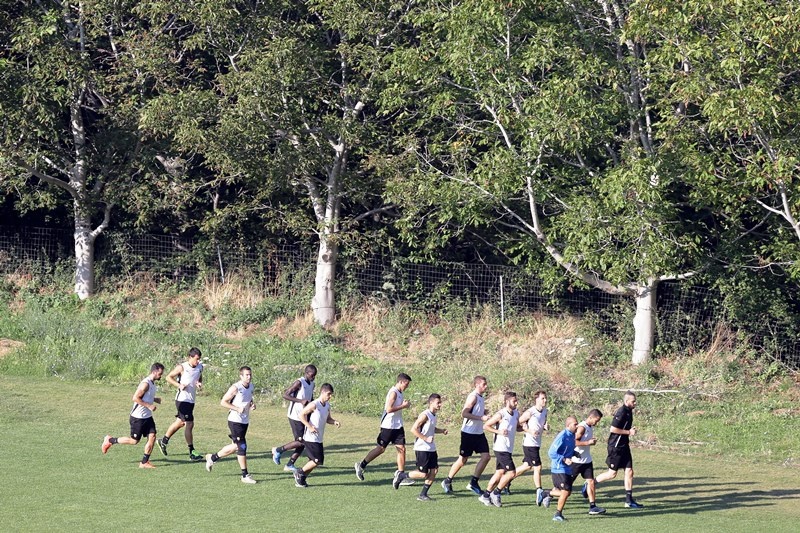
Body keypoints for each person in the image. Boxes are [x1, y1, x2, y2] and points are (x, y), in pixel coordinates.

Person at [354, 373, 414, 488]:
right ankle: (361, 465)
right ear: (401, 382)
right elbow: (389, 409)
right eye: (406, 384)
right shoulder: (393, 393)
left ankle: (401, 476)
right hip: (388, 426)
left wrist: (403, 405)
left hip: (398, 426)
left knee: (402, 449)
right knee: (380, 449)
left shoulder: (400, 393)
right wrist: (403, 406)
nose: (407, 386)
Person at [101, 363, 165, 469]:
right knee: (134, 441)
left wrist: (155, 399)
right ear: (154, 372)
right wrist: (149, 405)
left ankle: (144, 462)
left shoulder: (153, 383)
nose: (161, 376)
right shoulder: (145, 384)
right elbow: (135, 398)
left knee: (152, 436)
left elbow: (146, 396)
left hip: (147, 417)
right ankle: (110, 440)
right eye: (160, 374)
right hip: (138, 418)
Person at [204, 366, 257, 484]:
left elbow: (249, 398)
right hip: (235, 420)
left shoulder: (251, 386)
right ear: (241, 376)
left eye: (250, 375)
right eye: (246, 375)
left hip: (244, 421)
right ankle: (245, 475)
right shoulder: (236, 387)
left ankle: (212, 458)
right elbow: (223, 402)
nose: (249, 377)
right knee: (242, 446)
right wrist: (237, 408)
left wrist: (252, 405)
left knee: (235, 447)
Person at [441, 375, 491, 496]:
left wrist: (483, 413)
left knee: (486, 457)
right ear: (477, 384)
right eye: (484, 384)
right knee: (463, 460)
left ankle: (474, 482)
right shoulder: (473, 397)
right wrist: (481, 417)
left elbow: (474, 412)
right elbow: (464, 413)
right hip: (468, 433)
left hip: (479, 433)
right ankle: (447, 480)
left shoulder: (481, 398)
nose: (486, 386)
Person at [593, 390, 643, 508]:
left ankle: (629, 500)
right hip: (615, 447)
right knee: (612, 474)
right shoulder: (621, 412)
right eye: (633, 401)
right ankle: (590, 483)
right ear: (626, 401)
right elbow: (613, 429)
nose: (635, 403)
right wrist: (629, 432)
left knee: (629, 471)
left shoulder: (629, 411)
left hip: (625, 446)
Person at [158, 347, 204, 461]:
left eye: (199, 359)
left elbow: (199, 376)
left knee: (180, 422)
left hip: (191, 400)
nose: (197, 361)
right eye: (196, 359)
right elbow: (168, 377)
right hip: (182, 400)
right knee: (189, 424)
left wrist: (198, 383)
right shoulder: (182, 367)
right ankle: (192, 452)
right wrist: (179, 385)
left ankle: (163, 441)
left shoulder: (200, 367)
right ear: (190, 357)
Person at [478, 391, 521, 508]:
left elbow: (517, 428)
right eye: (514, 401)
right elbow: (486, 426)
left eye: (516, 400)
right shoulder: (501, 414)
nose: (516, 403)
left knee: (500, 472)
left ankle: (486, 495)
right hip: (500, 447)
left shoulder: (516, 413)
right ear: (507, 402)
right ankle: (496, 492)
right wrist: (499, 432)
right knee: (512, 472)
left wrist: (528, 429)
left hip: (508, 448)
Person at [292, 383, 340, 488]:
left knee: (315, 461)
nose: (330, 396)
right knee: (317, 460)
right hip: (310, 437)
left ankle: (301, 479)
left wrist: (334, 422)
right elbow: (301, 415)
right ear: (322, 392)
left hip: (319, 438)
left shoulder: (327, 406)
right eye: (328, 394)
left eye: (331, 394)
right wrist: (309, 426)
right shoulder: (314, 404)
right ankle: (299, 472)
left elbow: (328, 419)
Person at [272, 364, 317, 472]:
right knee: (301, 441)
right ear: (306, 373)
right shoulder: (299, 382)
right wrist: (300, 401)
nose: (313, 377)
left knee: (303, 442)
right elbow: (285, 395)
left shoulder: (312, 384)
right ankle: (278, 450)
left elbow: (310, 398)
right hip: (295, 416)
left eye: (315, 376)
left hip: (304, 416)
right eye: (311, 375)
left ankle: (290, 464)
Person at [407, 393, 448, 501]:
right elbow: (413, 429)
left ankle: (423, 494)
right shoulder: (425, 415)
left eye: (440, 402)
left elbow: (431, 429)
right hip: (422, 448)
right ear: (431, 403)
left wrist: (442, 431)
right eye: (438, 402)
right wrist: (425, 438)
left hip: (431, 448)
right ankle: (402, 476)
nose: (440, 405)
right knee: (423, 474)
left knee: (434, 471)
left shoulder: (434, 415)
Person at [542, 415, 579, 522]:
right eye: (575, 424)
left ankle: (547, 493)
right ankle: (557, 514)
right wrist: (563, 459)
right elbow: (551, 453)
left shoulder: (572, 435)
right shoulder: (562, 436)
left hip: (566, 468)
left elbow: (567, 449)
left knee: (567, 492)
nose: (577, 426)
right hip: (559, 468)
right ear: (568, 425)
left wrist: (574, 453)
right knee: (566, 492)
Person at [514, 390, 549, 502]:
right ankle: (539, 490)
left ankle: (507, 479)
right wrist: (528, 431)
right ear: (536, 399)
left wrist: (545, 426)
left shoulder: (544, 411)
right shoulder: (530, 412)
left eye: (545, 398)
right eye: (542, 398)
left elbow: (541, 423)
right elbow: (517, 424)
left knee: (527, 466)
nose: (545, 400)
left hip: (537, 443)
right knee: (537, 467)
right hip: (529, 443)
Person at [574, 409, 606, 515]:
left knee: (591, 482)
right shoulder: (581, 427)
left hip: (587, 460)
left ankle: (593, 506)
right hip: (576, 461)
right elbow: (574, 441)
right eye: (596, 421)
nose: (596, 423)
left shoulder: (589, 427)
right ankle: (548, 493)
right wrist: (588, 442)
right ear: (590, 417)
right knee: (565, 487)